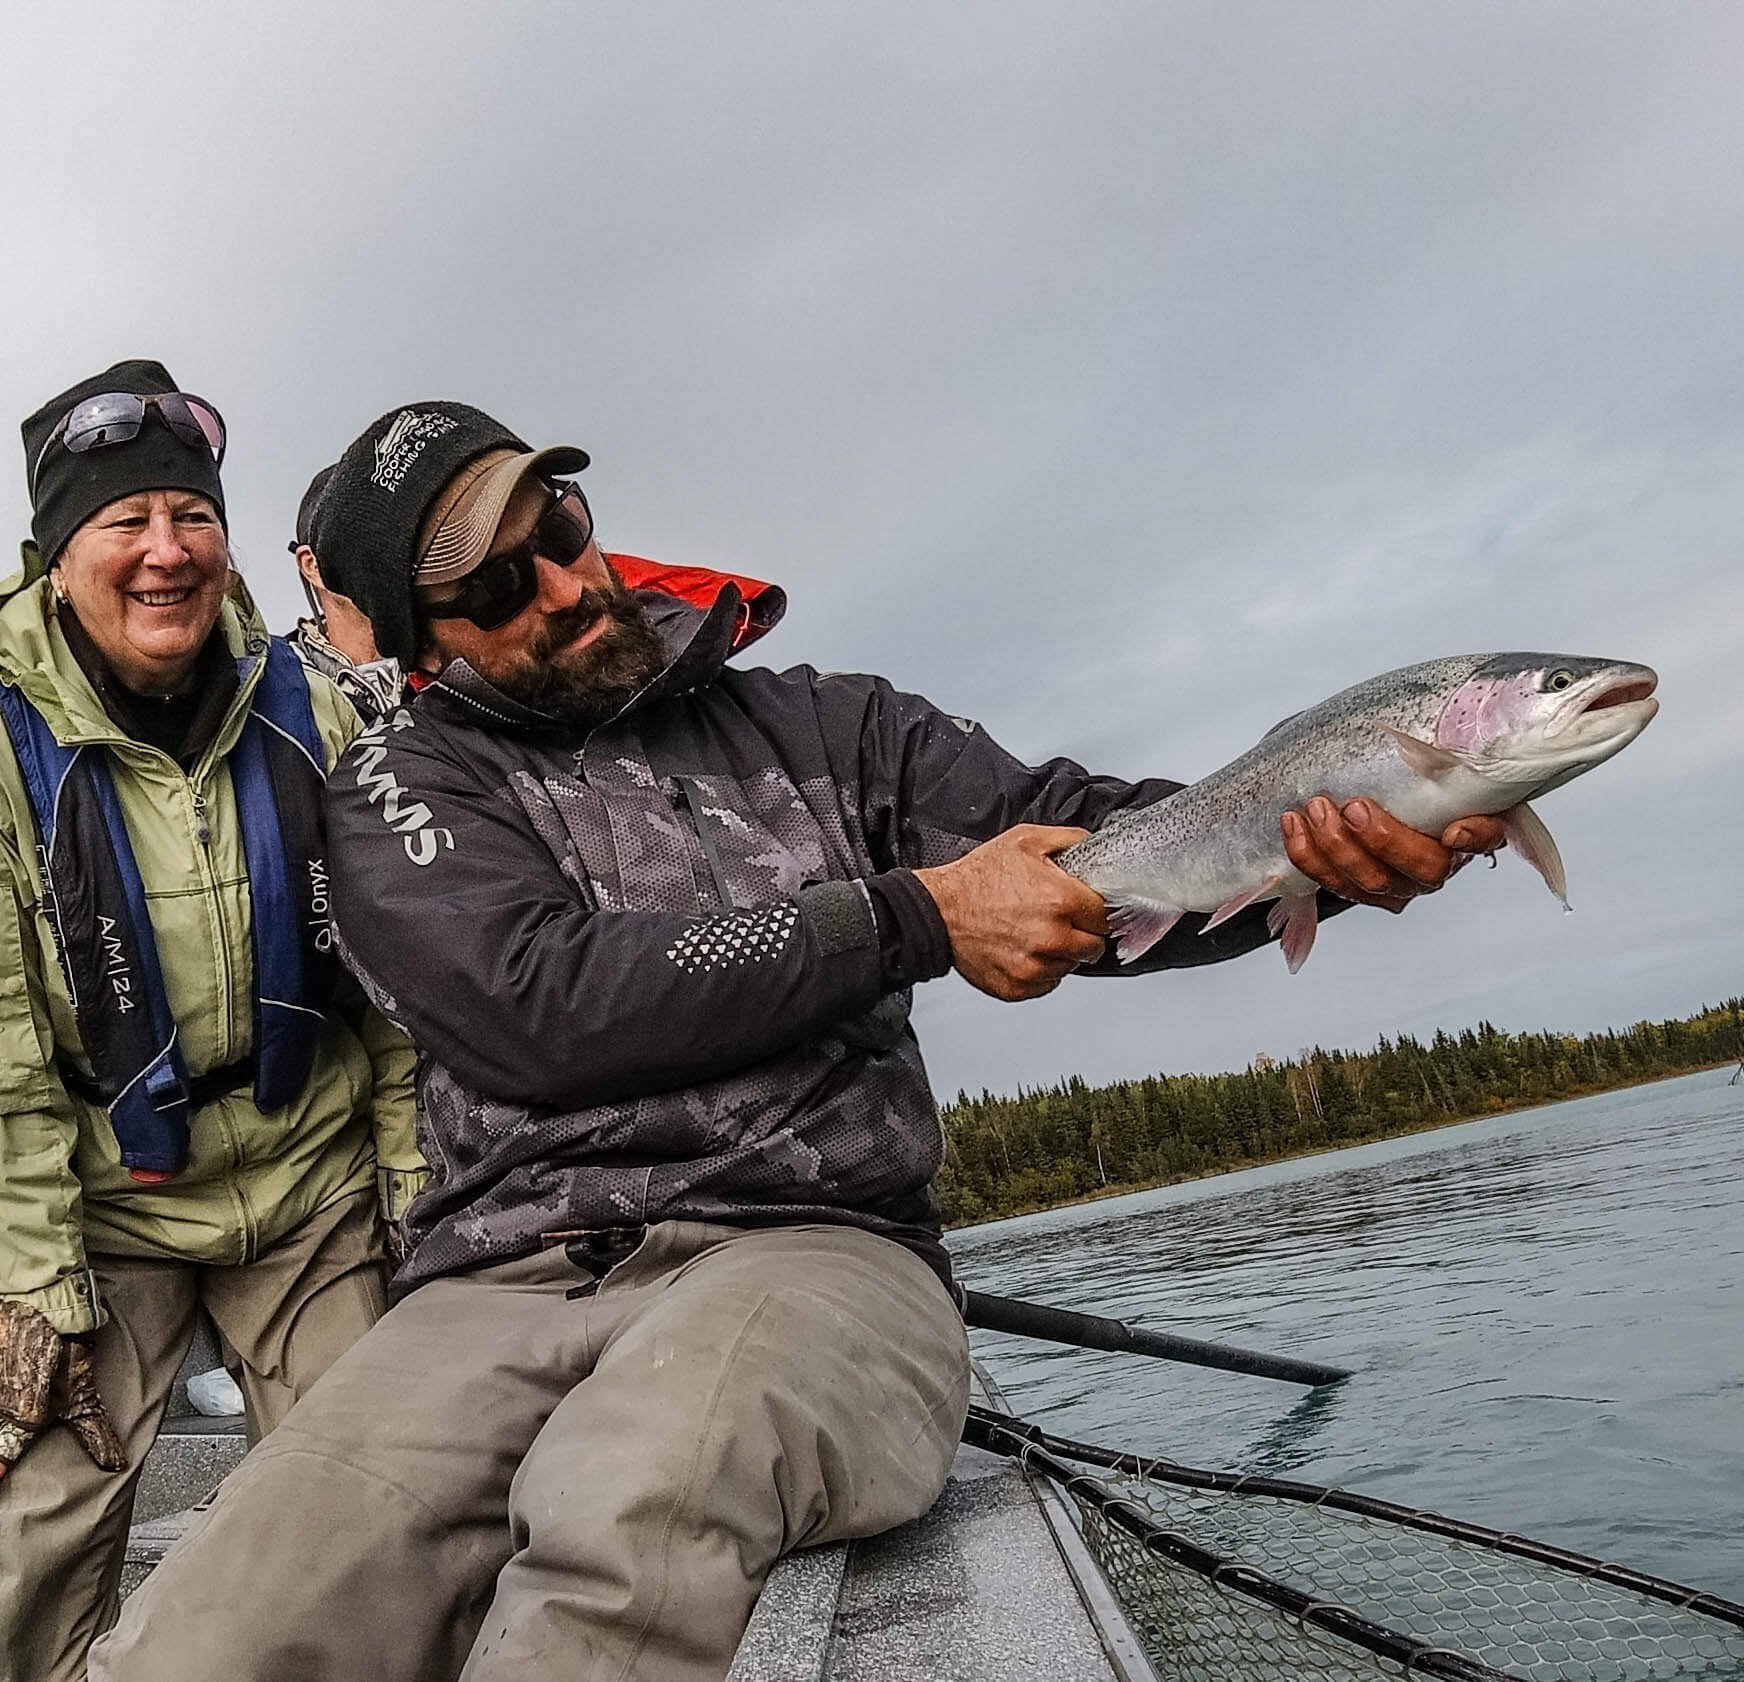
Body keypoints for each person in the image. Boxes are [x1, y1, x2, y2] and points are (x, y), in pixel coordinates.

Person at [93, 401, 1505, 1682]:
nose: (573, 587)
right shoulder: (397, 787)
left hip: (822, 1251)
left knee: (630, 1487)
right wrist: (914, 916)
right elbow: (540, 1007)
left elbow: (1103, 842)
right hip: (494, 1288)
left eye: (563, 530)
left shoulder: (832, 725)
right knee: (217, 1619)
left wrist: (1327, 829)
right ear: (423, 643)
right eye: (505, 587)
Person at [0, 360, 427, 1682]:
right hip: (101, 1194)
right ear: (54, 552)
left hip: (310, 1179)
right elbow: (4, 1053)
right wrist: (32, 1283)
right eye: (124, 523)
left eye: (191, 517)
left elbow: (406, 988)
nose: (165, 553)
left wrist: (418, 1184)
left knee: (385, 1516)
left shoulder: (329, 706)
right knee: (27, 1540)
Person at [284, 462, 406, 723]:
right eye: (363, 532)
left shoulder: (454, 661)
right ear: (312, 565)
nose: (390, 548)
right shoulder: (276, 684)